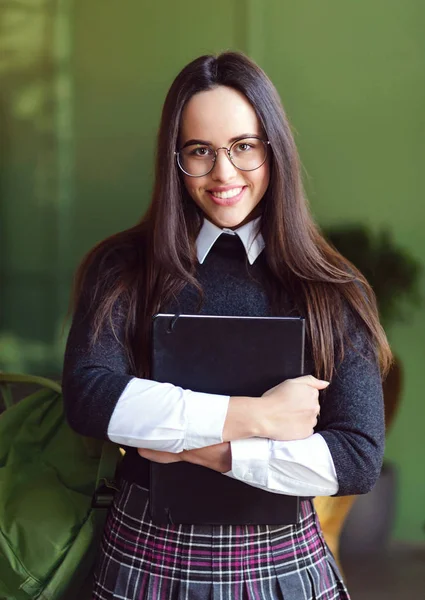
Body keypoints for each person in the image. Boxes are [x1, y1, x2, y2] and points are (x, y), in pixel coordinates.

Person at [62, 52, 391, 600]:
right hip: (145, 556)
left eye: (244, 147)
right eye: (200, 151)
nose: (224, 173)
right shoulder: (121, 268)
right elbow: (92, 397)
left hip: (281, 565)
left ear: (273, 149)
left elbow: (355, 459)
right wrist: (255, 416)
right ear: (175, 159)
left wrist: (204, 449)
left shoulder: (334, 288)